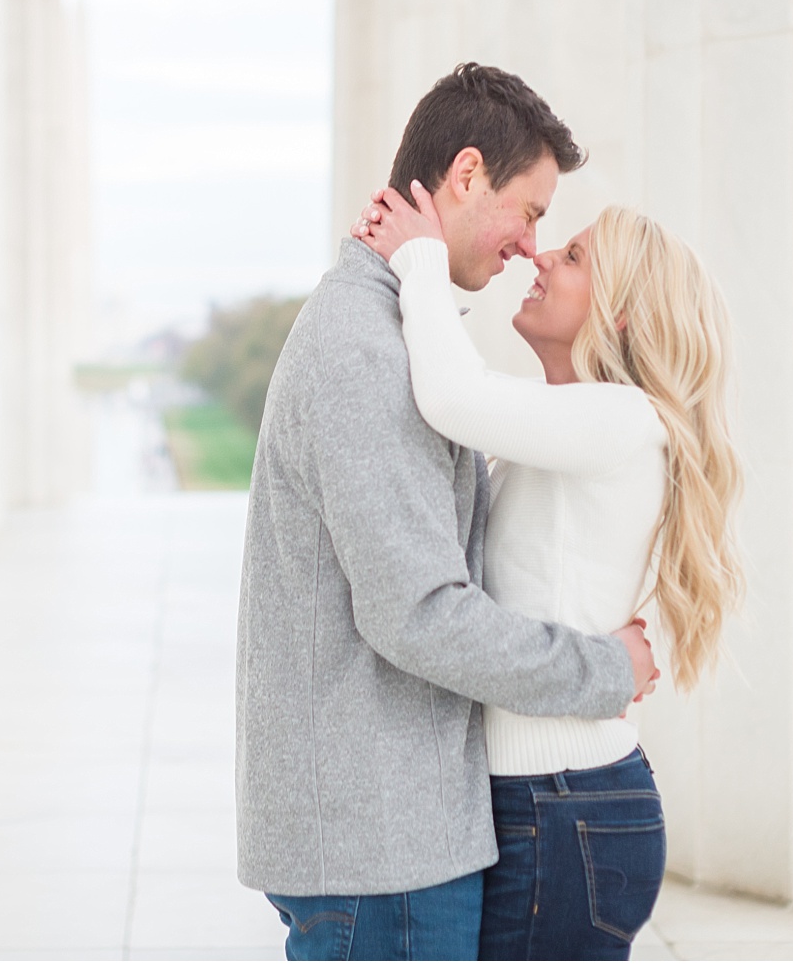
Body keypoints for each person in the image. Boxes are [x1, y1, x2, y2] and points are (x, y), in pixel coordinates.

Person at [235, 63, 659, 962]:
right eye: (533, 211)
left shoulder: (391, 330)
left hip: (392, 835)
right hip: (382, 851)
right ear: (467, 175)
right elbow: (419, 614)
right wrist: (604, 670)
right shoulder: (365, 349)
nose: (528, 246)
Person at [351, 181, 744, 960]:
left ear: (621, 310)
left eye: (573, 257)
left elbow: (454, 395)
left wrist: (421, 261)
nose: (539, 253)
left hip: (563, 808)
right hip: (550, 806)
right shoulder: (580, 428)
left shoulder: (623, 418)